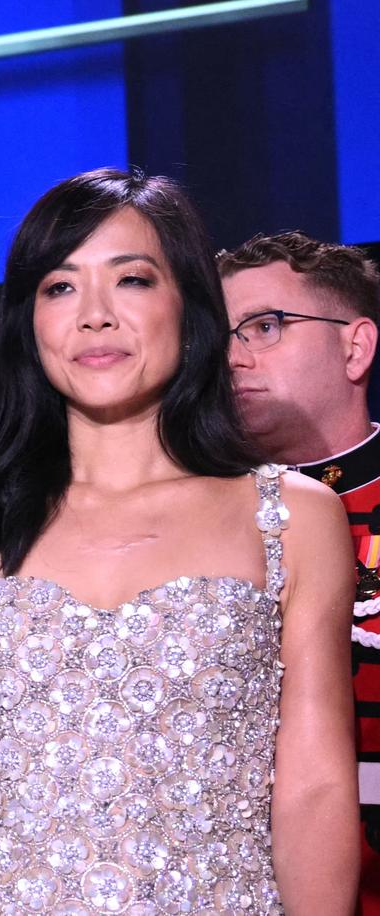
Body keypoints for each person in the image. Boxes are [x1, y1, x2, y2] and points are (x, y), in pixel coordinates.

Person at [0, 168, 358, 915]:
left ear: (189, 306)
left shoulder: (294, 519)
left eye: (131, 280)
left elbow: (315, 790)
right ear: (28, 322)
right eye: (60, 287)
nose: (94, 317)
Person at [220, 231, 380, 912]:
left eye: (265, 326)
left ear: (355, 346)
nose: (232, 357)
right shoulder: (192, 532)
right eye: (219, 336)